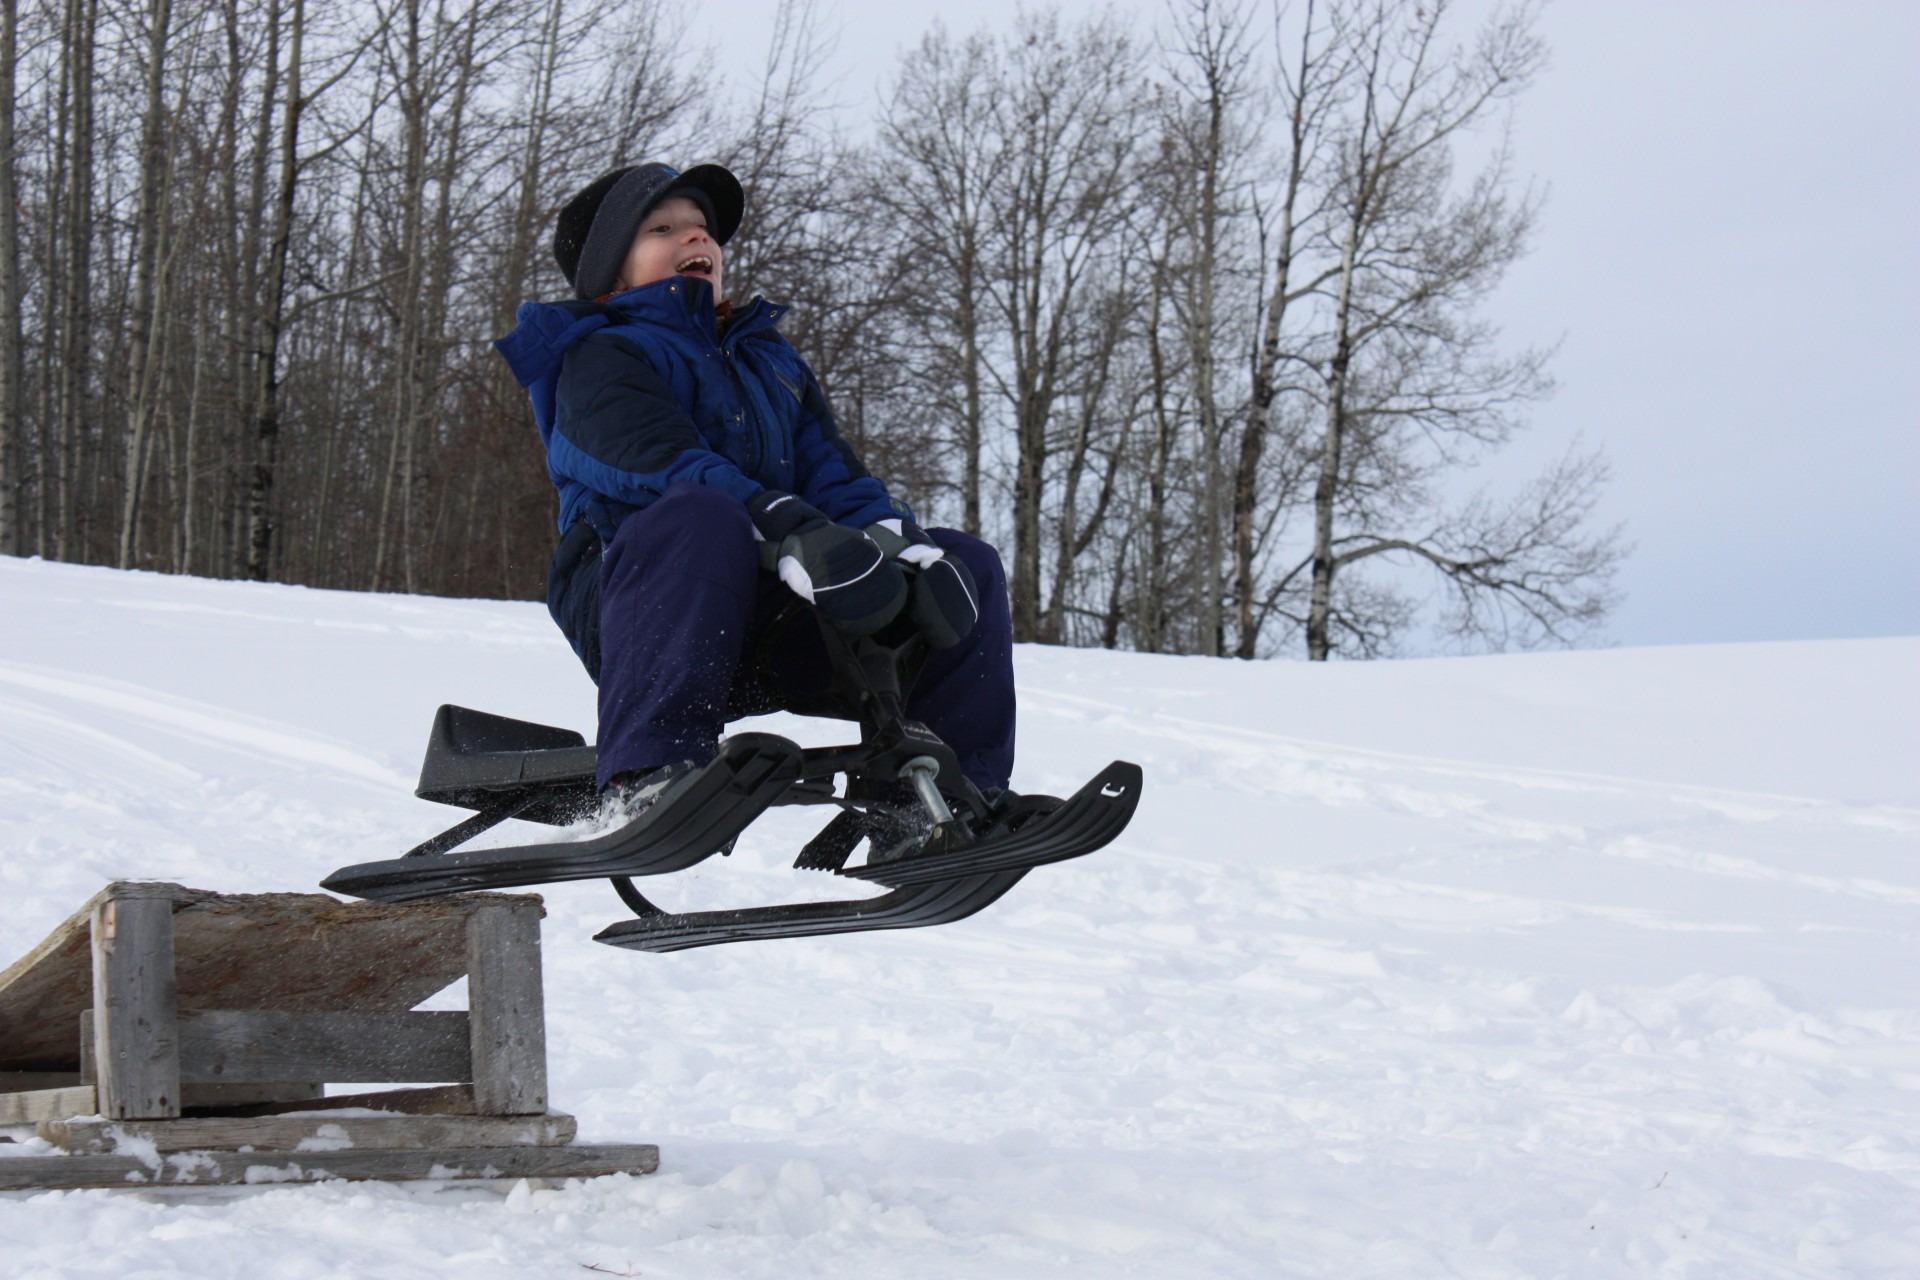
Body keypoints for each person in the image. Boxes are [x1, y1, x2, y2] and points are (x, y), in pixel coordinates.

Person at [493, 162, 1016, 817]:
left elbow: (837, 477)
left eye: (703, 229)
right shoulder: (596, 354)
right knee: (702, 514)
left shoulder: (770, 362)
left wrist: (898, 545)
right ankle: (648, 774)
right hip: (645, 607)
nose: (696, 240)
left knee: (965, 564)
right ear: (611, 270)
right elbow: (657, 461)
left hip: (771, 617)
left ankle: (936, 799)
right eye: (663, 228)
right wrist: (786, 526)